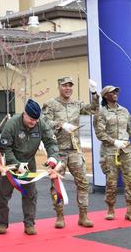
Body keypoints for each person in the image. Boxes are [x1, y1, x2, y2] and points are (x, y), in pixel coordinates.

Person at [41, 76, 99, 229]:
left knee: (83, 182)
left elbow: (94, 109)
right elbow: (44, 123)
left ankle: (83, 215)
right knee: (56, 184)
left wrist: (94, 93)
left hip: (74, 149)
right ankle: (59, 216)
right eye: (64, 86)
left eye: (70, 86)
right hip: (57, 150)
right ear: (59, 87)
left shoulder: (77, 103)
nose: (68, 88)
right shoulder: (51, 104)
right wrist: (61, 125)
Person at [0, 99, 59, 235]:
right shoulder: (12, 124)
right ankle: (2, 223)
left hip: (29, 164)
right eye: (30, 119)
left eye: (35, 120)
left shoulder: (40, 123)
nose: (33, 123)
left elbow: (51, 142)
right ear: (24, 113)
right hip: (10, 164)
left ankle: (29, 224)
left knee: (31, 195)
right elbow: (4, 148)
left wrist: (53, 157)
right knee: (3, 195)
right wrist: (16, 164)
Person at [94, 85, 131, 221]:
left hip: (125, 150)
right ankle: (110, 209)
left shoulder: (124, 111)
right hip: (109, 151)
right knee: (111, 182)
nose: (115, 94)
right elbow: (100, 133)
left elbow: (129, 130)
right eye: (112, 92)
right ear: (105, 96)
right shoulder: (101, 113)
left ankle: (130, 210)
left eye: (116, 92)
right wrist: (114, 141)